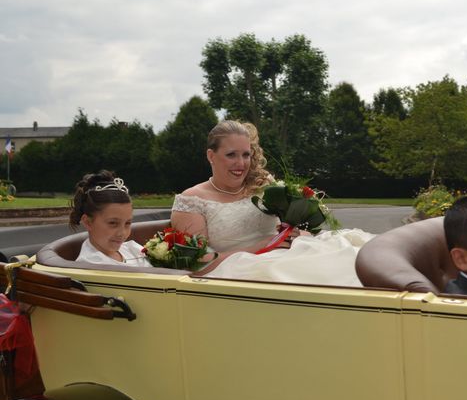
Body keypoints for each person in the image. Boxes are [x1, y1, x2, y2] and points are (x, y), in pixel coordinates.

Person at [171, 120, 373, 286]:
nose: (241, 164)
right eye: (231, 154)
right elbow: (199, 264)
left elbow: (289, 229)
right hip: (242, 272)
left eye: (246, 154)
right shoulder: (192, 200)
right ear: (211, 156)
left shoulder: (263, 187)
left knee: (351, 258)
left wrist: (294, 234)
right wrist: (260, 248)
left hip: (288, 255)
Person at [70, 170, 151, 267]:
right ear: (88, 222)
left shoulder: (131, 248)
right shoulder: (93, 266)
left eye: (127, 223)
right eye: (113, 223)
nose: (122, 233)